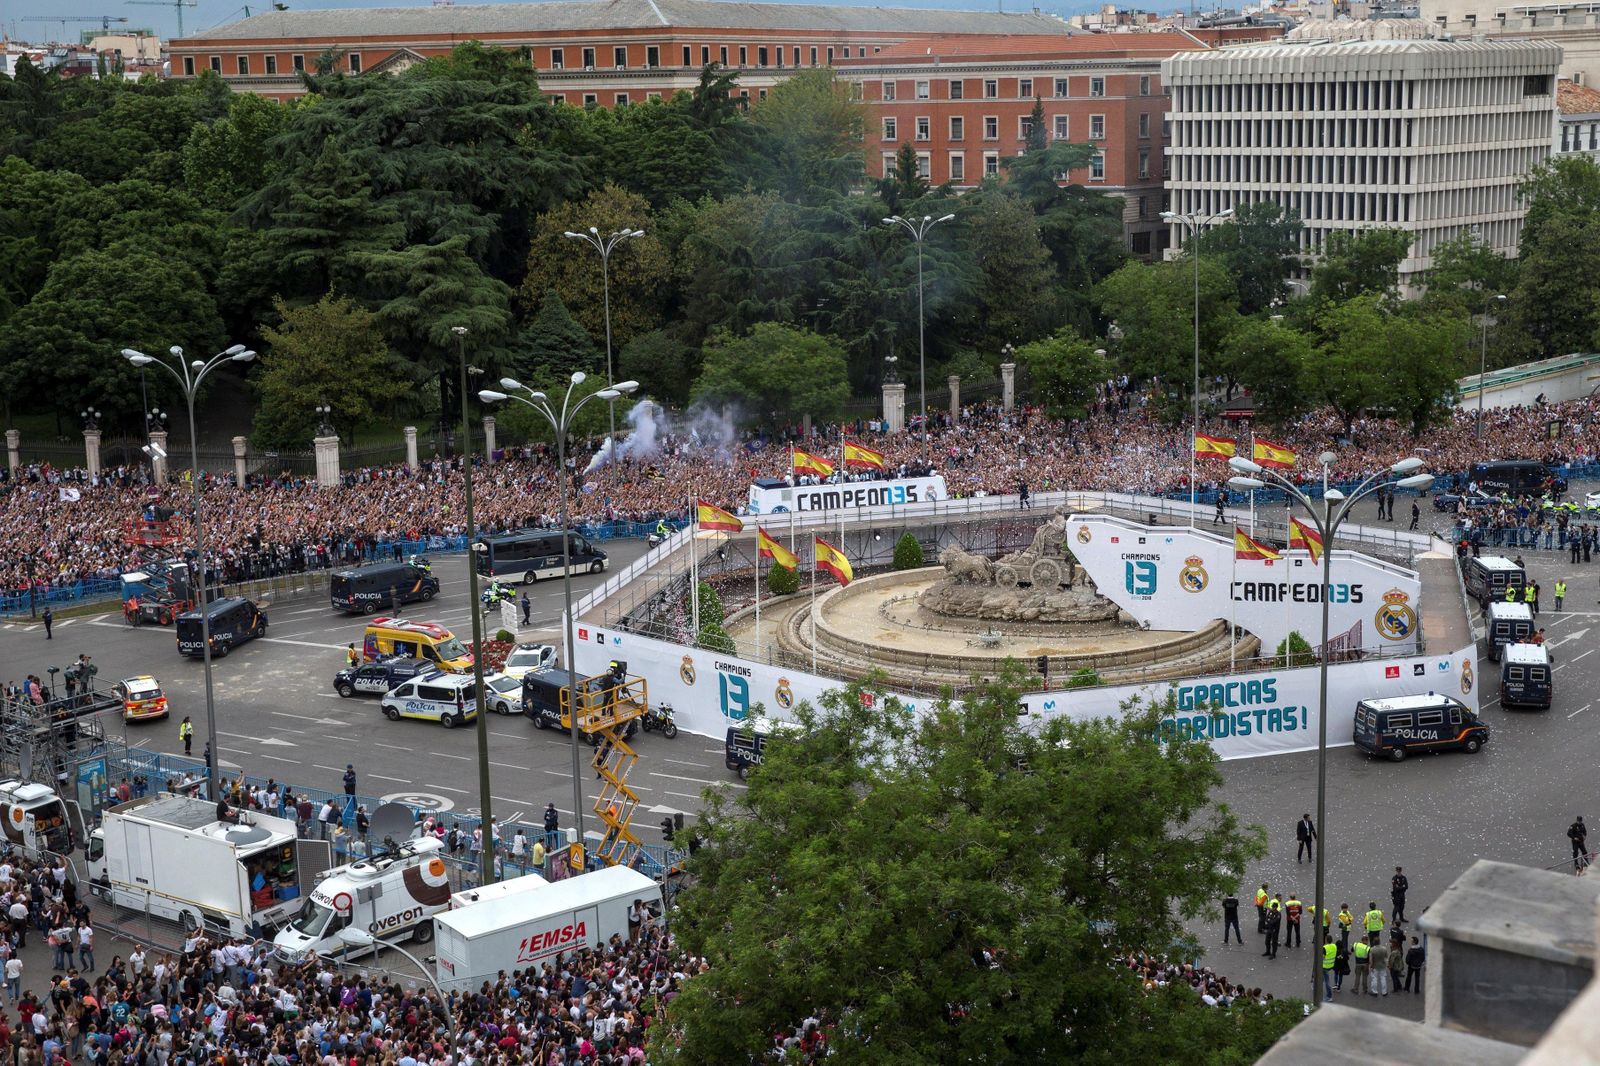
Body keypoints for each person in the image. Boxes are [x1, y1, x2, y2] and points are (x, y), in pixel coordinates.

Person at [1321, 934, 1337, 1001]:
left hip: (1325, 966)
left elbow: (1323, 957)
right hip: (1331, 964)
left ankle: (1329, 996)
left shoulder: (1324, 947)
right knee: (1322, 977)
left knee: (1327, 981)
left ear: (1326, 940)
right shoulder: (1334, 946)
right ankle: (1316, 985)